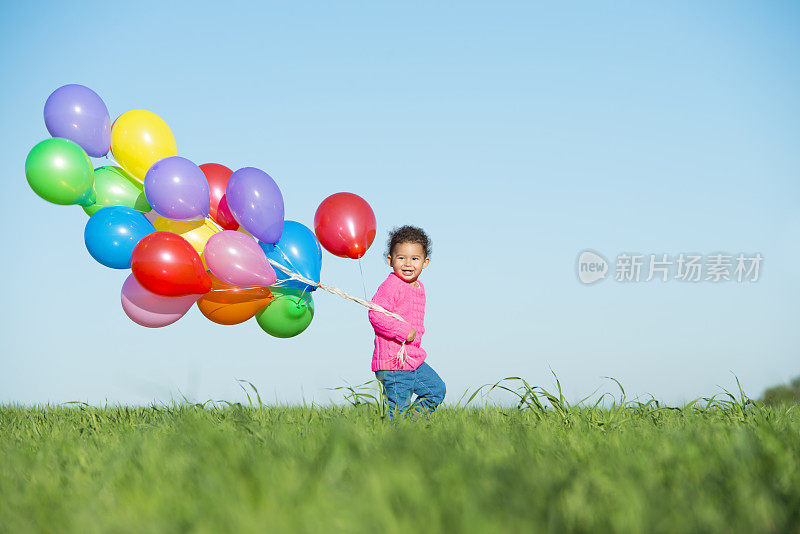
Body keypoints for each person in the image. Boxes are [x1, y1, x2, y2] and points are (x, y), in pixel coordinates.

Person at [368, 225, 446, 420]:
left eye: (414, 258)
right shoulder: (392, 285)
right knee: (397, 409)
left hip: (412, 360)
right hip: (394, 363)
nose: (408, 264)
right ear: (390, 260)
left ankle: (408, 427)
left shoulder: (418, 287)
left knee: (436, 390)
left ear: (425, 262)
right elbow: (375, 314)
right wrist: (404, 331)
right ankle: (397, 438)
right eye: (401, 258)